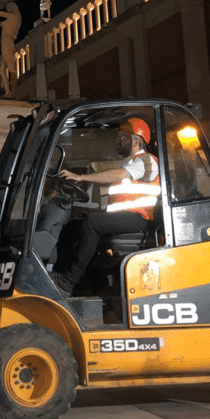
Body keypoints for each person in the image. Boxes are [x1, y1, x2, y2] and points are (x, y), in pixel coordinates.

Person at [51, 117, 159, 296]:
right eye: (118, 137)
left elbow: (118, 175)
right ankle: (70, 279)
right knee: (72, 226)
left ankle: (68, 282)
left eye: (123, 137)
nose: (118, 140)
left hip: (140, 218)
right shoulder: (131, 163)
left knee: (93, 223)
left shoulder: (146, 161)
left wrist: (82, 177)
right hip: (125, 216)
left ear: (136, 141)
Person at [0, 0, 21, 95]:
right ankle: (8, 92)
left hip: (7, 42)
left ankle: (14, 91)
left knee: (11, 68)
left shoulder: (12, 16)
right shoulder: (12, 19)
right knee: (2, 69)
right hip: (6, 43)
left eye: (8, 8)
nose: (7, 10)